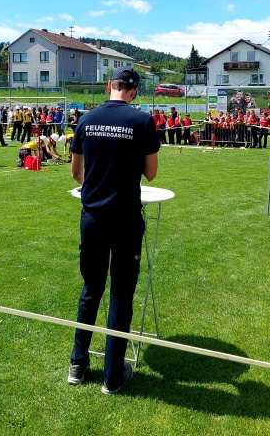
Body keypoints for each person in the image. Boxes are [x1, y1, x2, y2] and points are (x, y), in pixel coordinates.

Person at [68, 66, 159, 395]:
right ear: (134, 92)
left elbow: (76, 172)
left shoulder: (86, 119)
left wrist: (98, 186)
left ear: (110, 85)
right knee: (120, 294)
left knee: (91, 289)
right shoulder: (142, 121)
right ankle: (112, 376)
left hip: (92, 217)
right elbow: (151, 173)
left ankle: (77, 365)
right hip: (125, 218)